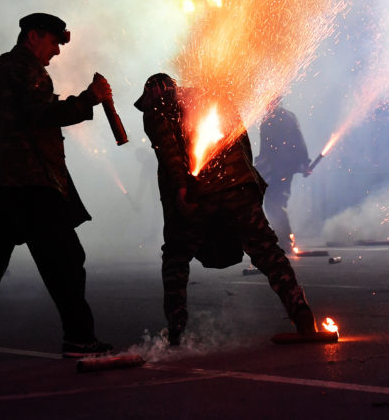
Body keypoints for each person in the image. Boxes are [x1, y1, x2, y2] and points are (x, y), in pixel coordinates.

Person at [0, 13, 113, 364]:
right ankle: (80, 340)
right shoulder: (28, 70)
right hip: (32, 186)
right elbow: (42, 114)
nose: (56, 52)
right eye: (52, 42)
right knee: (65, 262)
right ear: (33, 36)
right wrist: (88, 99)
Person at [134, 73, 317, 346]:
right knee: (266, 250)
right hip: (239, 187)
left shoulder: (157, 109)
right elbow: (242, 144)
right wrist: (247, 186)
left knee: (175, 257)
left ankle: (175, 329)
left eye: (146, 100)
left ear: (154, 92)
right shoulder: (213, 97)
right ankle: (302, 315)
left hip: (198, 193)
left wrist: (182, 190)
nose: (145, 105)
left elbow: (169, 152)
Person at [255, 97, 311, 251]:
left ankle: (285, 240)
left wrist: (304, 162)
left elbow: (295, 142)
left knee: (274, 203)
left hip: (279, 169)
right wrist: (304, 162)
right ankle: (284, 239)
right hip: (279, 169)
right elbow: (299, 141)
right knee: (275, 203)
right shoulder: (285, 117)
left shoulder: (271, 121)